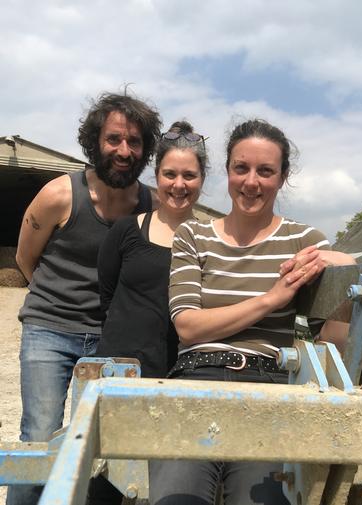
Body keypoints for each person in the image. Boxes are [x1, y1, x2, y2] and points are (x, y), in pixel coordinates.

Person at [149, 119, 354, 505]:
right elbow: (188, 328)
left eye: (265, 171)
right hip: (196, 377)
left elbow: (339, 325)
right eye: (241, 168)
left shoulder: (303, 241)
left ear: (282, 177)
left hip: (272, 385)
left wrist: (335, 263)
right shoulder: (194, 236)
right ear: (227, 171)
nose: (251, 182)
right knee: (178, 497)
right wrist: (271, 300)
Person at [7, 91, 162, 505]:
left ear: (146, 148)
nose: (124, 151)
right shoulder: (59, 194)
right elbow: (25, 256)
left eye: (134, 141)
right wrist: (56, 300)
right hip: (50, 332)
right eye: (114, 139)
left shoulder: (151, 205)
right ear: (95, 141)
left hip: (115, 339)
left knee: (108, 446)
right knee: (40, 438)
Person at [88, 121, 207, 504]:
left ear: (202, 180)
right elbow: (107, 296)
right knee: (102, 483)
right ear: (156, 177)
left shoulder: (211, 241)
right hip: (120, 372)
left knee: (163, 486)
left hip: (177, 377)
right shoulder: (126, 231)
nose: (179, 184)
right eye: (170, 174)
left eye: (189, 175)